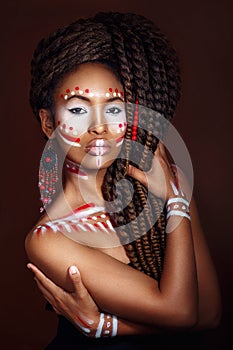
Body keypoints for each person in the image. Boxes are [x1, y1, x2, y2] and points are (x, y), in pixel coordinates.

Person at [25, 11, 222, 349]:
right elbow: (180, 313)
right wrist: (176, 204)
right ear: (47, 123)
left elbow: (209, 314)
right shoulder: (48, 238)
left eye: (114, 108)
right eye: (77, 109)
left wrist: (107, 326)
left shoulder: (166, 184)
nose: (99, 125)